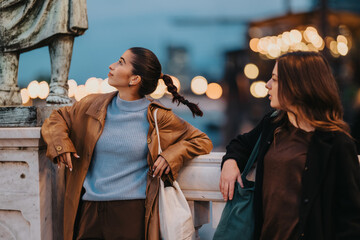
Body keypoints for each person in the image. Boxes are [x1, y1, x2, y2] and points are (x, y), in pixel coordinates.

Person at [41, 47, 213, 240]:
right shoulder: (92, 105)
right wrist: (61, 145)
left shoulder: (158, 116)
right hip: (88, 211)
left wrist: (170, 155)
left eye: (121, 62)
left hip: (131, 215)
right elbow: (57, 118)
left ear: (134, 79)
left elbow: (201, 140)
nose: (112, 65)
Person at [220, 51, 360, 240]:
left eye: (275, 80)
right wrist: (230, 162)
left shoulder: (337, 143)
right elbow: (240, 144)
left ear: (298, 85)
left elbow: (350, 217)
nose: (267, 85)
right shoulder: (272, 125)